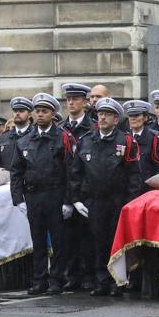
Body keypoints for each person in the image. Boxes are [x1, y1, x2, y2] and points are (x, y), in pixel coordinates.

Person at [70, 98, 141, 297]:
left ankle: (116, 282)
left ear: (116, 119)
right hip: (94, 200)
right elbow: (76, 172)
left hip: (117, 200)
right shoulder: (86, 140)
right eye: (100, 113)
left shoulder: (126, 141)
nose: (102, 117)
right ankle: (101, 281)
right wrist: (76, 199)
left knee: (115, 242)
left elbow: (134, 175)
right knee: (97, 242)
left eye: (107, 114)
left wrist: (129, 203)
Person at [10, 93, 75, 295]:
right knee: (37, 241)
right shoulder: (24, 140)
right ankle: (39, 280)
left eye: (44, 111)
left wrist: (69, 201)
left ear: (53, 113)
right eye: (37, 111)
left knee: (58, 241)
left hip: (55, 195)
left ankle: (56, 279)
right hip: (33, 196)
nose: (40, 115)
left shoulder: (63, 137)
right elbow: (16, 171)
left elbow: (71, 171)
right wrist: (17, 199)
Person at [59, 83, 95, 292]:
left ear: (84, 102)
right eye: (68, 99)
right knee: (69, 238)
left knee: (88, 237)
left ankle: (89, 276)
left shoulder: (92, 127)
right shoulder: (61, 129)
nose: (71, 102)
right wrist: (67, 199)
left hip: (86, 191)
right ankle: (72, 275)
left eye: (75, 99)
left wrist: (79, 196)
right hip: (65, 191)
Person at [123, 100, 159, 193]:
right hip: (128, 191)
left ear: (145, 118)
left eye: (136, 115)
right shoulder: (124, 138)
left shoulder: (154, 138)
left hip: (148, 190)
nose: (133, 118)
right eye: (130, 116)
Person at [0, 97, 33, 170]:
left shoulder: (35, 135)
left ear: (29, 115)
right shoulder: (3, 137)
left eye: (21, 111)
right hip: (7, 179)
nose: (17, 114)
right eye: (15, 111)